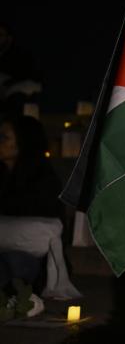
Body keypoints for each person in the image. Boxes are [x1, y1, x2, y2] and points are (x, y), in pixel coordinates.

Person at [0, 115, 62, 292]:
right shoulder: (3, 176)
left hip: (34, 258)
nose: (0, 142)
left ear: (23, 141)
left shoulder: (43, 179)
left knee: (15, 261)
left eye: (5, 137)